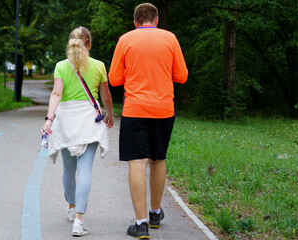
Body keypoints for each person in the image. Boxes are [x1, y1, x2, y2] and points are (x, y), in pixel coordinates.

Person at [109, 3, 188, 239]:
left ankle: (140, 224)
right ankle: (155, 214)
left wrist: (132, 72)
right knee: (158, 159)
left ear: (135, 22)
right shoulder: (170, 38)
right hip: (164, 109)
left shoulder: (125, 39)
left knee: (137, 162)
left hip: (135, 110)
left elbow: (114, 79)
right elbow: (181, 76)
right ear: (156, 21)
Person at [40, 26, 114, 237]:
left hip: (65, 121)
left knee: (68, 169)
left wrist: (49, 119)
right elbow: (106, 96)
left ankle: (72, 208)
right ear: (89, 44)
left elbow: (56, 94)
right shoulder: (98, 66)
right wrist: (109, 115)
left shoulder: (61, 66)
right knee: (85, 170)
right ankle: (79, 221)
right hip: (89, 120)